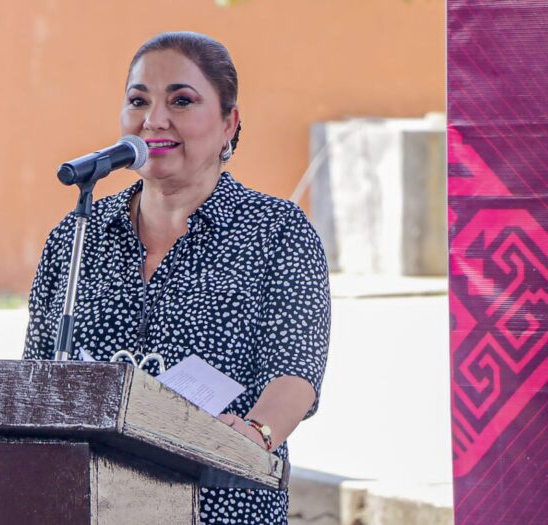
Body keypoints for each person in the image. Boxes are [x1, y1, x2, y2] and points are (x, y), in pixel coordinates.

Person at [23, 31, 330, 525]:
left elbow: (295, 371)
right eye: (138, 100)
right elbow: (34, 375)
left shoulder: (277, 232)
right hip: (88, 504)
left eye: (181, 101)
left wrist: (257, 434)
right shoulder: (76, 236)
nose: (154, 120)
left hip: (217, 503)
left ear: (229, 123)